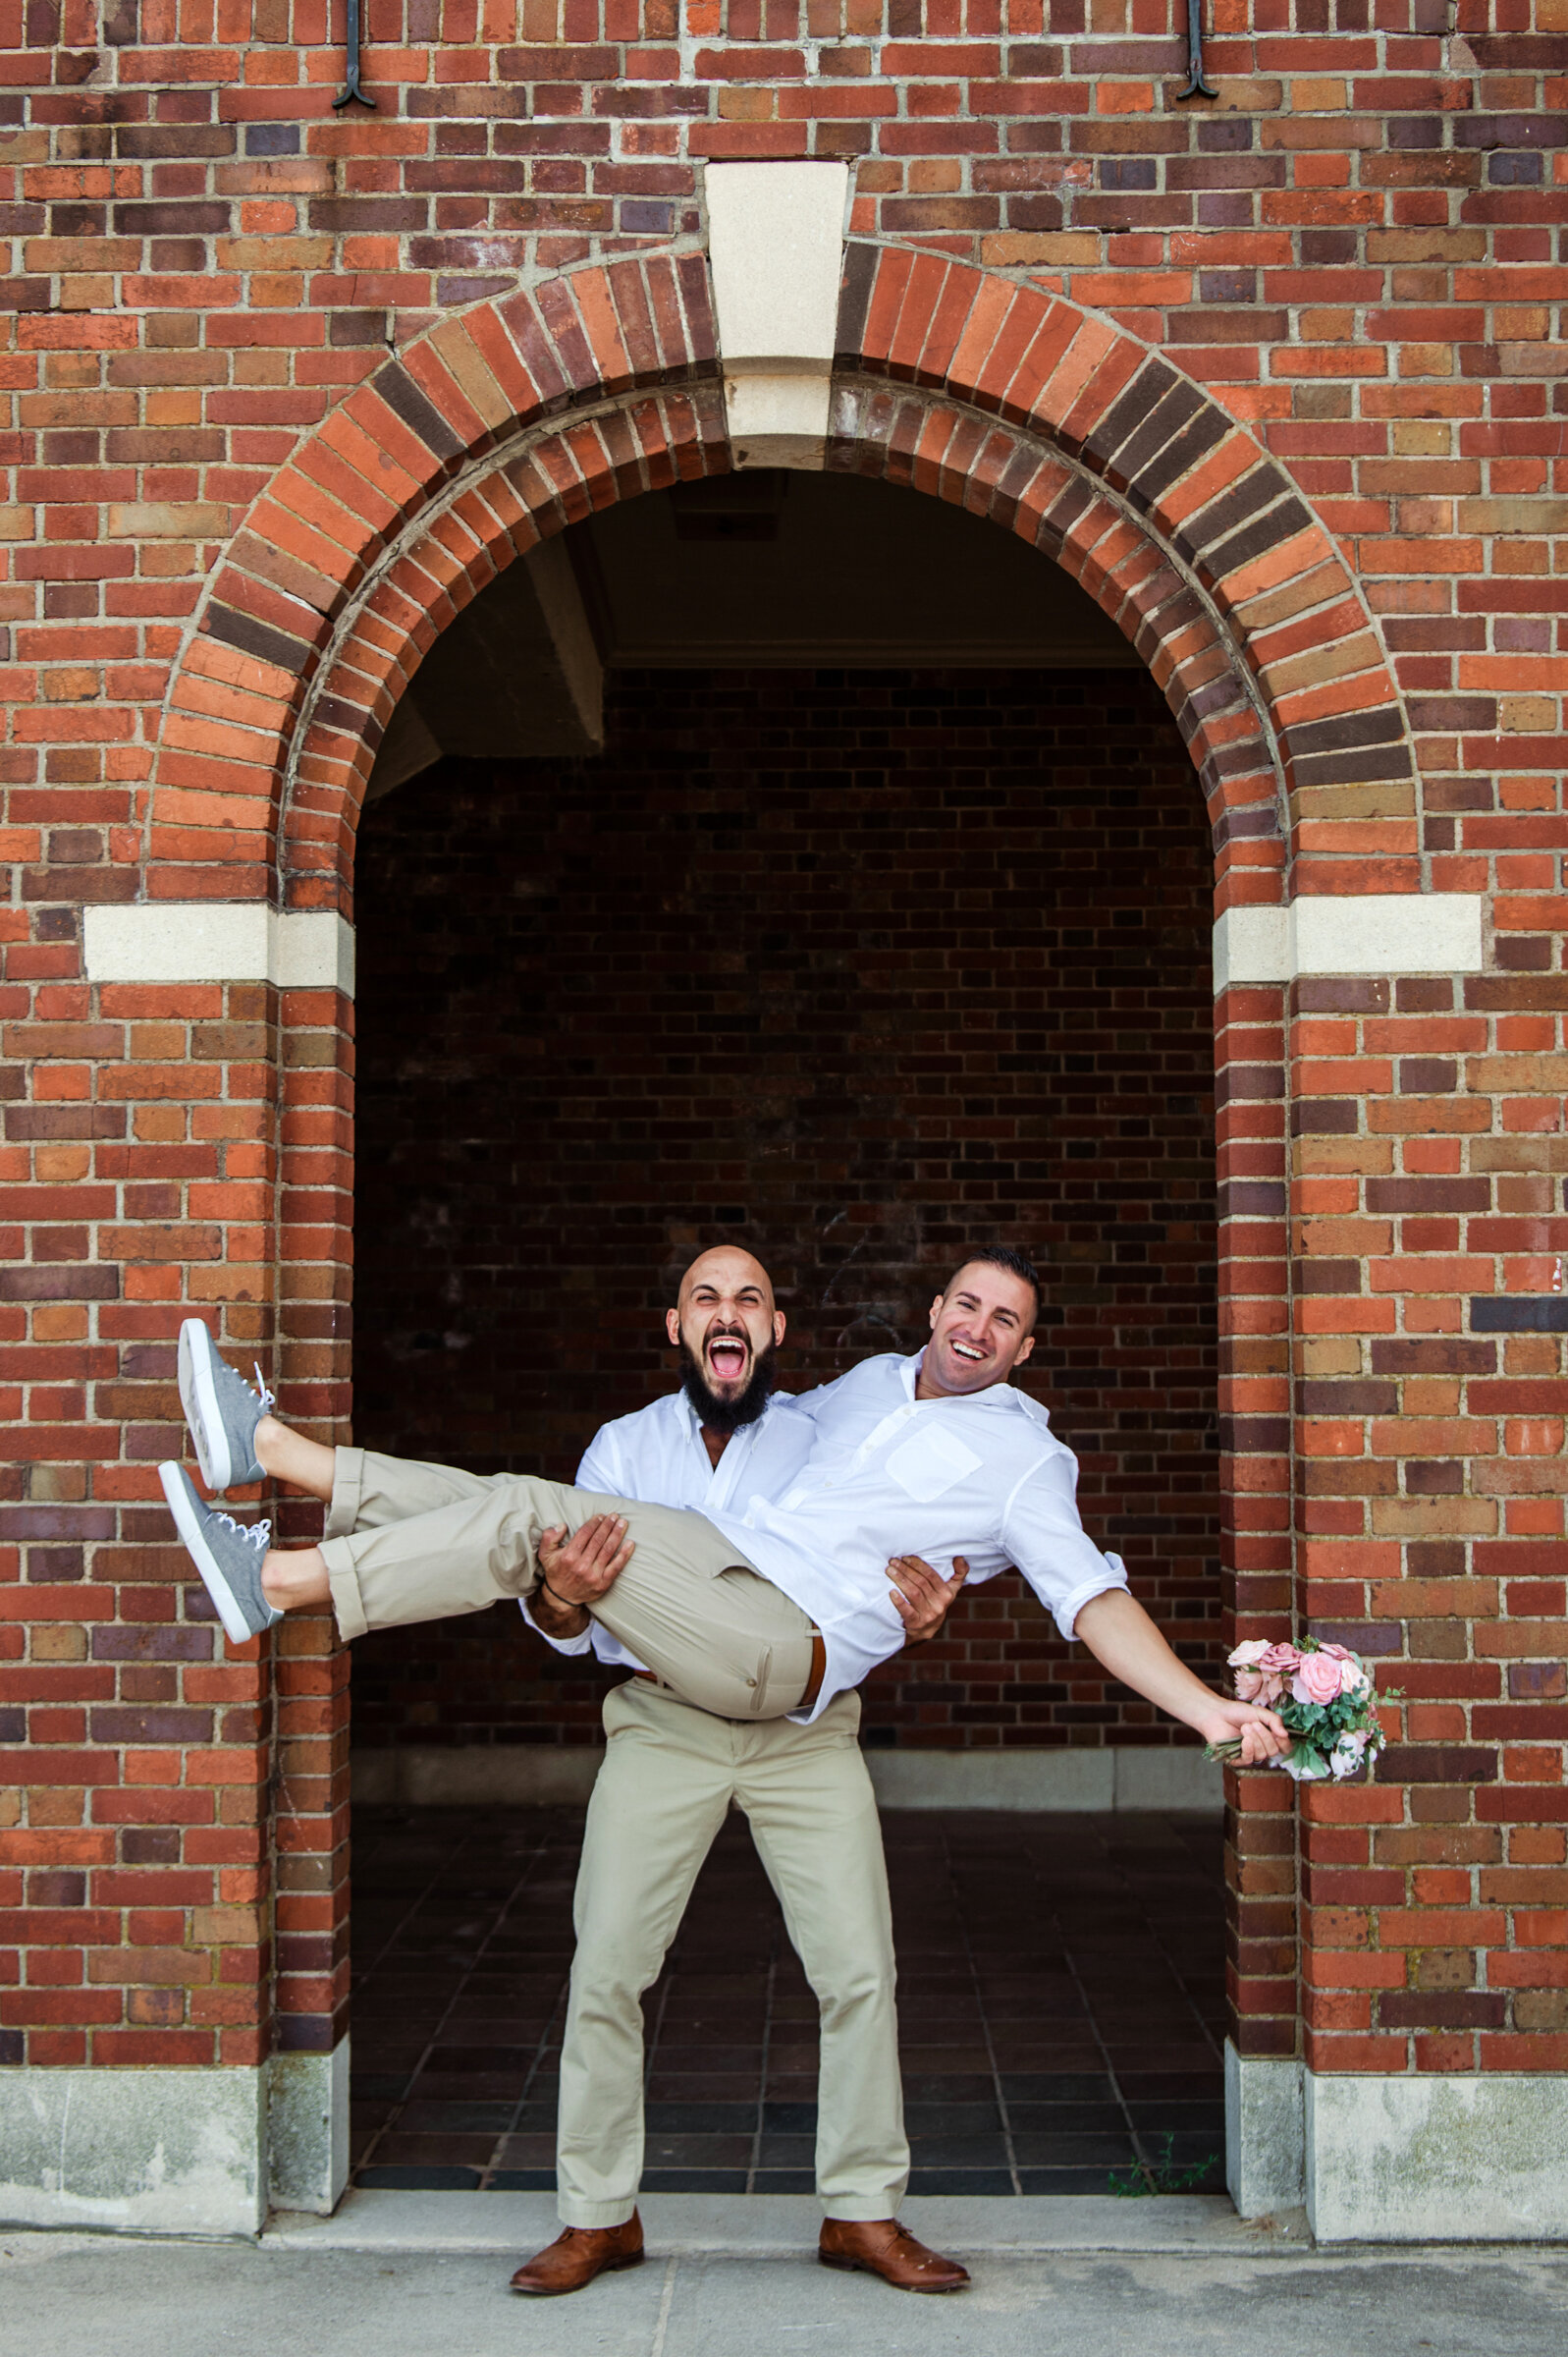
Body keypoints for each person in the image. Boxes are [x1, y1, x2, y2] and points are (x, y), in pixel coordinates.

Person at [159, 1247, 1287, 1777]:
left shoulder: (1027, 1464)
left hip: (772, 1644)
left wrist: (1204, 1710)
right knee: (526, 1508)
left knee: (524, 1516)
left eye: (1005, 1322)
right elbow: (755, 1419)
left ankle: (272, 1573)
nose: (978, 1329)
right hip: (714, 1572)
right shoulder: (861, 1388)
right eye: (966, 1305)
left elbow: (1089, 1596)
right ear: (934, 1309)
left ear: (1025, 1349)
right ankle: (267, 1453)